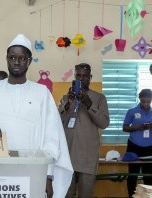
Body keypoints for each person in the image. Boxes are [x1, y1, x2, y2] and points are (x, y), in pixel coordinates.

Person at [0, 34, 73, 198]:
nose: (16, 62)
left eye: (22, 58)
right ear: (7, 59)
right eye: (12, 57)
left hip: (33, 174)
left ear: (29, 61)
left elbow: (51, 137)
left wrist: (48, 175)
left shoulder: (42, 93)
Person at [58, 63, 109, 198]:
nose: (81, 79)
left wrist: (88, 103)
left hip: (87, 157)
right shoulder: (65, 98)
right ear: (74, 77)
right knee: (66, 194)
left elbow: (104, 123)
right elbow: (56, 122)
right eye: (78, 76)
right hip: (67, 156)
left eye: (85, 76)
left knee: (86, 194)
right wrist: (68, 104)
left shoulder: (99, 98)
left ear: (90, 77)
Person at [122, 89, 152, 198]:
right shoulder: (132, 111)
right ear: (140, 99)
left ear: (151, 100)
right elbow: (125, 128)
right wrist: (138, 127)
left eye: (148, 102)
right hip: (134, 147)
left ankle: (148, 196)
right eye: (143, 101)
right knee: (133, 175)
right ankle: (131, 196)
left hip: (150, 148)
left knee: (148, 176)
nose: (145, 104)